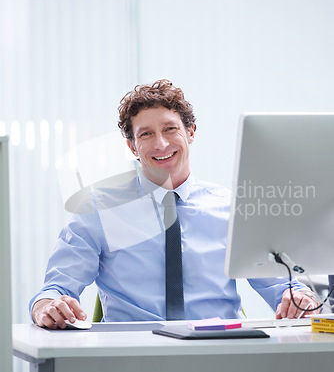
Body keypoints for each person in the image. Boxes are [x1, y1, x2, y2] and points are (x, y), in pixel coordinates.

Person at [30, 79, 319, 329]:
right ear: (132, 146)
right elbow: (55, 289)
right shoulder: (99, 208)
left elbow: (283, 285)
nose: (161, 144)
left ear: (190, 132)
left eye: (170, 129)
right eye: (146, 134)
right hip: (130, 359)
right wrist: (48, 306)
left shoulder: (235, 208)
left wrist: (300, 297)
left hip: (220, 351)